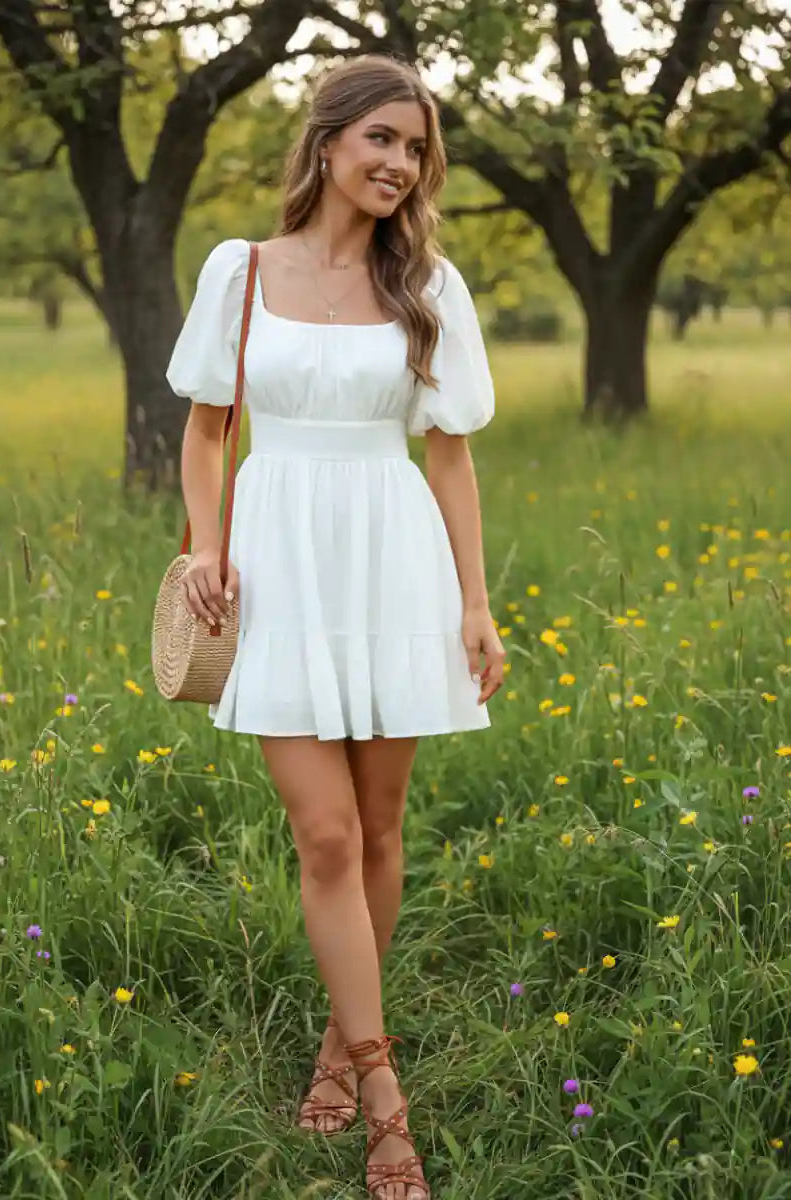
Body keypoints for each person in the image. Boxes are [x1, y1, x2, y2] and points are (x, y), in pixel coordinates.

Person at [165, 51, 506, 1200]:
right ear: (327, 143)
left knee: (379, 825)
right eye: (383, 142)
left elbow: (448, 453)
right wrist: (205, 544)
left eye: (416, 150)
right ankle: (384, 1095)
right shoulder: (243, 273)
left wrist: (475, 601)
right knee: (323, 838)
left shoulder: (431, 289)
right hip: (282, 561)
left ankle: (332, 1047)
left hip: (392, 554)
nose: (400, 166)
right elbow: (211, 429)